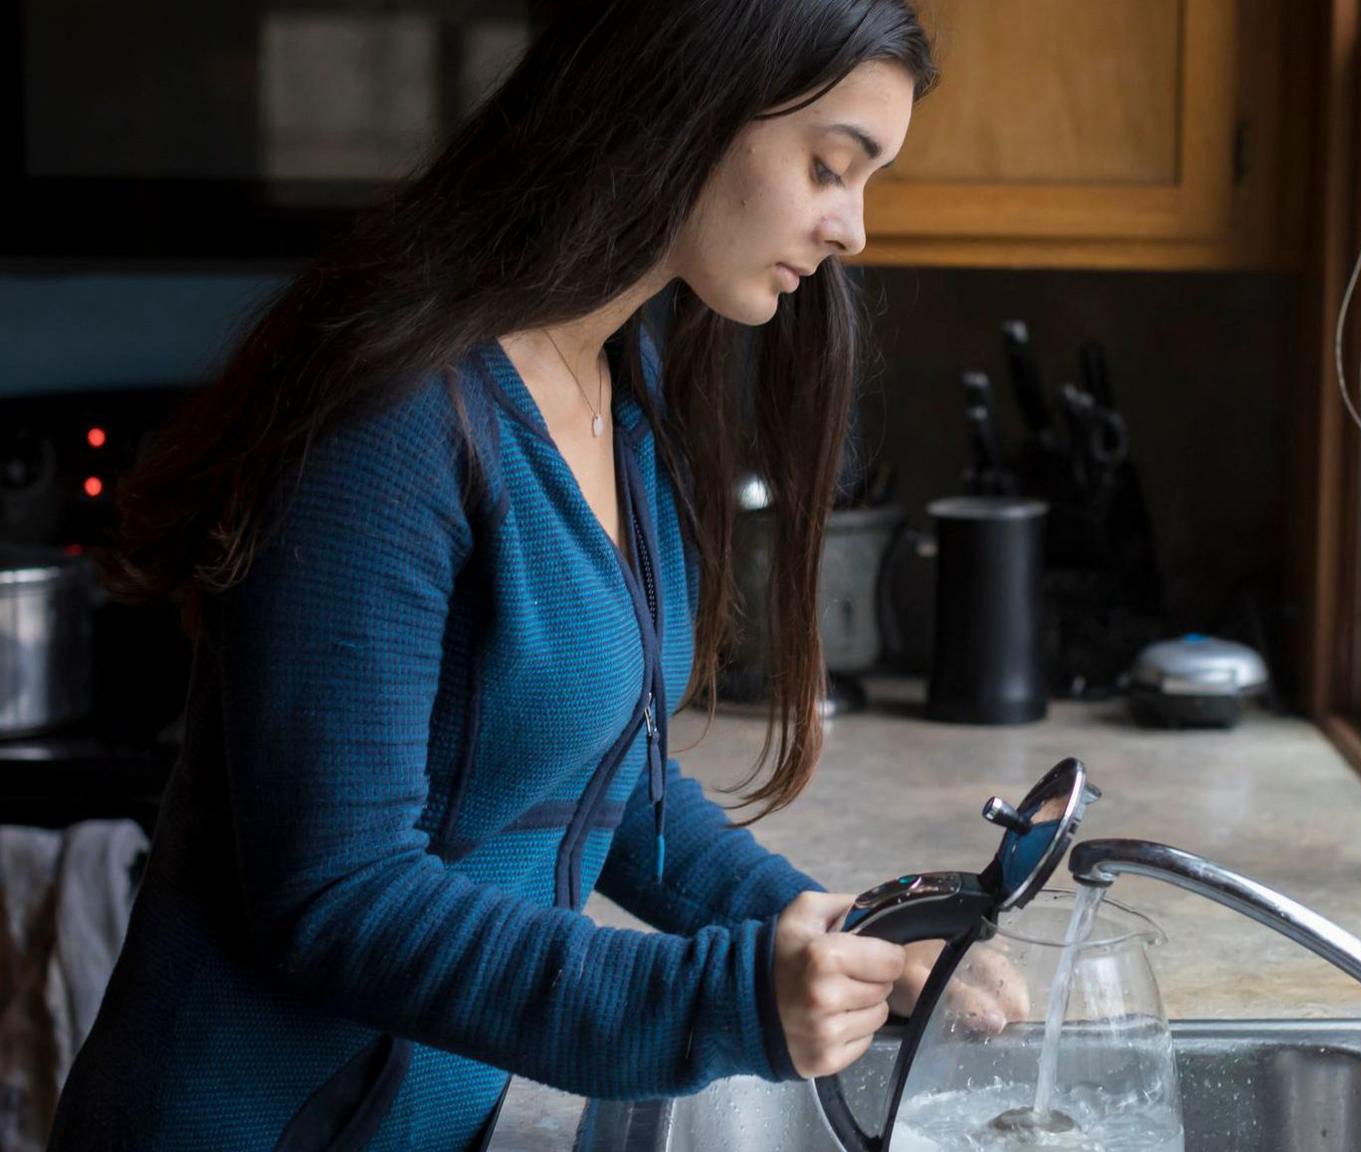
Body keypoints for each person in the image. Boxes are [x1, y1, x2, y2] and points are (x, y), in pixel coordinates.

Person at [46, 3, 962, 1148]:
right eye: (831, 165)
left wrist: (838, 931)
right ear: (683, 108)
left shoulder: (615, 389)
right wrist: (724, 1000)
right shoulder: (393, 419)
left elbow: (598, 779)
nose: (852, 229)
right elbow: (338, 899)